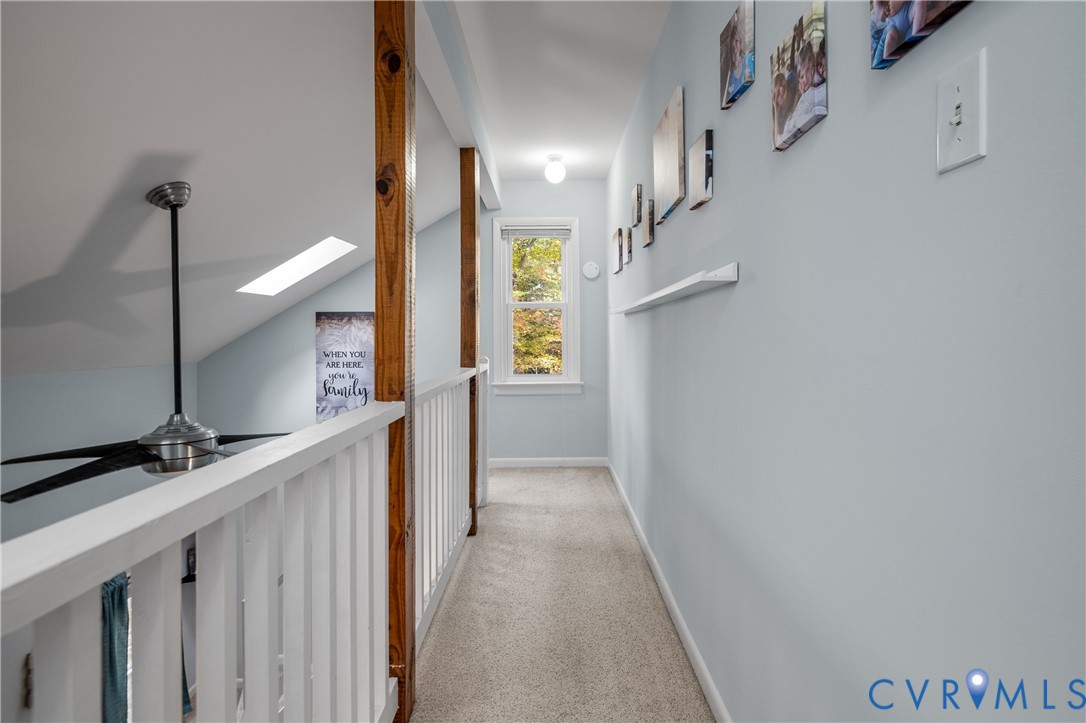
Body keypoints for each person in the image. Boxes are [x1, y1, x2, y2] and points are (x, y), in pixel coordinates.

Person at [782, 42, 827, 140]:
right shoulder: (803, 91)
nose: (806, 79)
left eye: (808, 69)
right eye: (802, 76)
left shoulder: (818, 77)